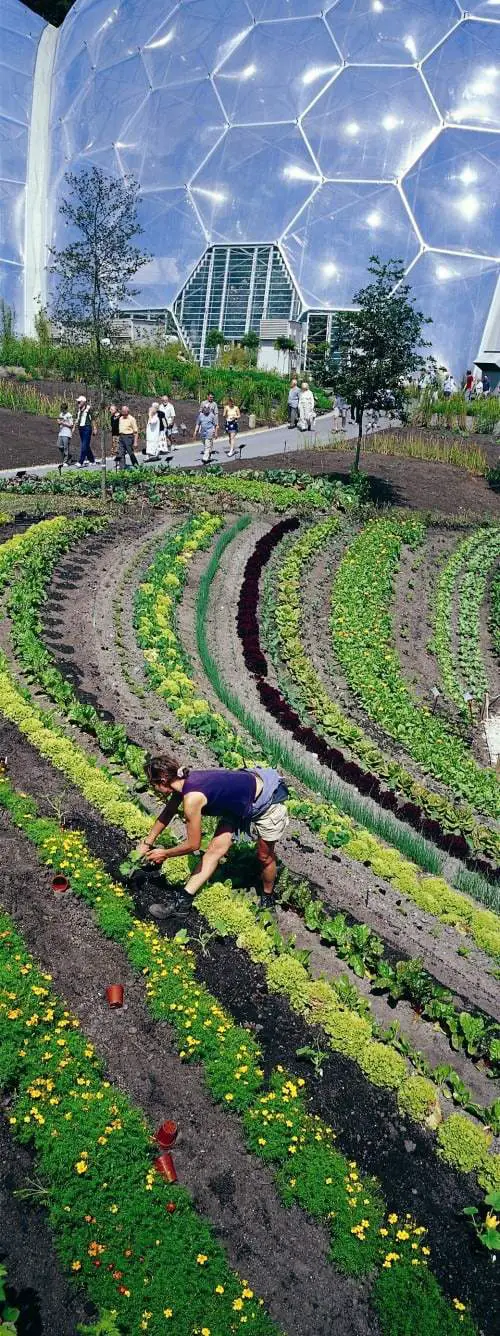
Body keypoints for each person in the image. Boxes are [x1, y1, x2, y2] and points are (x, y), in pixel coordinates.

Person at [136, 755, 289, 904]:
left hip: (267, 801)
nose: (153, 788)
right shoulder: (180, 785)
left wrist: (165, 853)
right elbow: (168, 812)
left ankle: (268, 895)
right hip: (237, 801)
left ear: (162, 781)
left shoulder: (192, 798)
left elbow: (193, 845)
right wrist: (147, 843)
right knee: (214, 850)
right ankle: (183, 901)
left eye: (153, 784)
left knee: (264, 856)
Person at [75, 396, 97, 467]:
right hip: (80, 428)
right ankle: (92, 460)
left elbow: (93, 419)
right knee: (86, 445)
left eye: (79, 401)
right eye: (78, 401)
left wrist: (95, 428)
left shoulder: (89, 409)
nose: (78, 403)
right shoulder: (79, 409)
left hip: (87, 428)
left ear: (83, 402)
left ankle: (81, 461)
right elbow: (77, 418)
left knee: (84, 445)